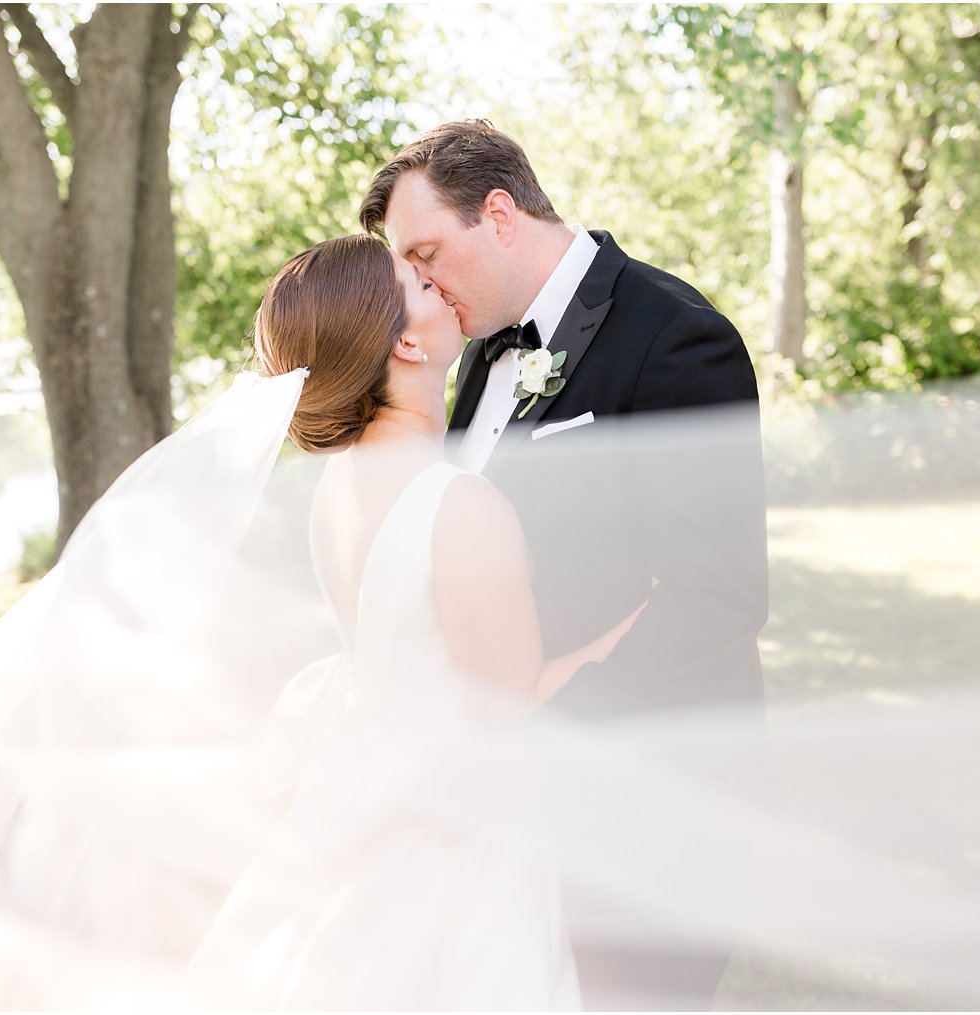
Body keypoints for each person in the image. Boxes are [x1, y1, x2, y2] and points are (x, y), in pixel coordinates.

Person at [0, 235, 639, 1010]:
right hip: (454, 856)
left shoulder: (339, 487)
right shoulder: (459, 504)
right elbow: (503, 712)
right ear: (407, 347)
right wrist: (610, 642)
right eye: (420, 282)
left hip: (358, 830)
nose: (442, 280)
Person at [360, 119, 770, 1009]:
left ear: (499, 213)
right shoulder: (477, 358)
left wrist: (522, 745)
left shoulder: (676, 338)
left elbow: (716, 597)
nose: (421, 285)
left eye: (427, 253)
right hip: (509, 827)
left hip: (647, 819)